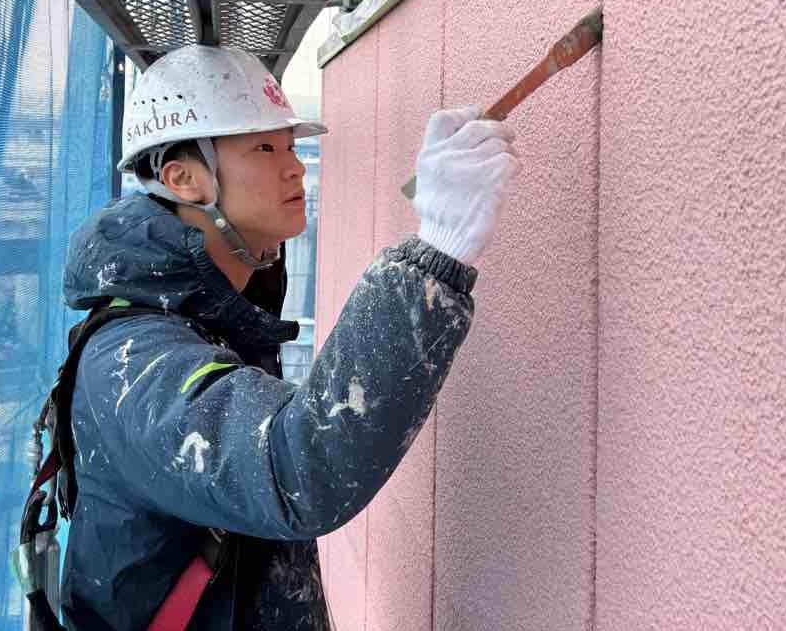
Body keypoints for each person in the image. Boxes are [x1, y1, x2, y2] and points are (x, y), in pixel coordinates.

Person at [59, 44, 518, 630]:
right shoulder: (131, 362)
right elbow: (296, 468)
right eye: (264, 148)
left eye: (291, 147)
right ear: (184, 178)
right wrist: (438, 249)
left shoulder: (210, 313)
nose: (295, 168)